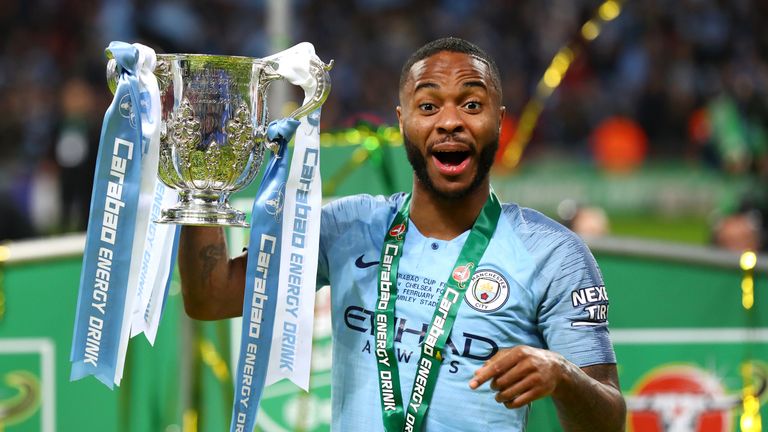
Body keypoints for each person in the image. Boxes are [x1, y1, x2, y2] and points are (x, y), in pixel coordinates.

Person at [179, 37, 625, 431]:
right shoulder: (348, 227)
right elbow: (211, 296)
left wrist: (564, 374)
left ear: (499, 120)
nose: (450, 121)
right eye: (428, 106)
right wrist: (201, 178)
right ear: (401, 120)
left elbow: (609, 421)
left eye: (471, 104)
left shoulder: (554, 254)